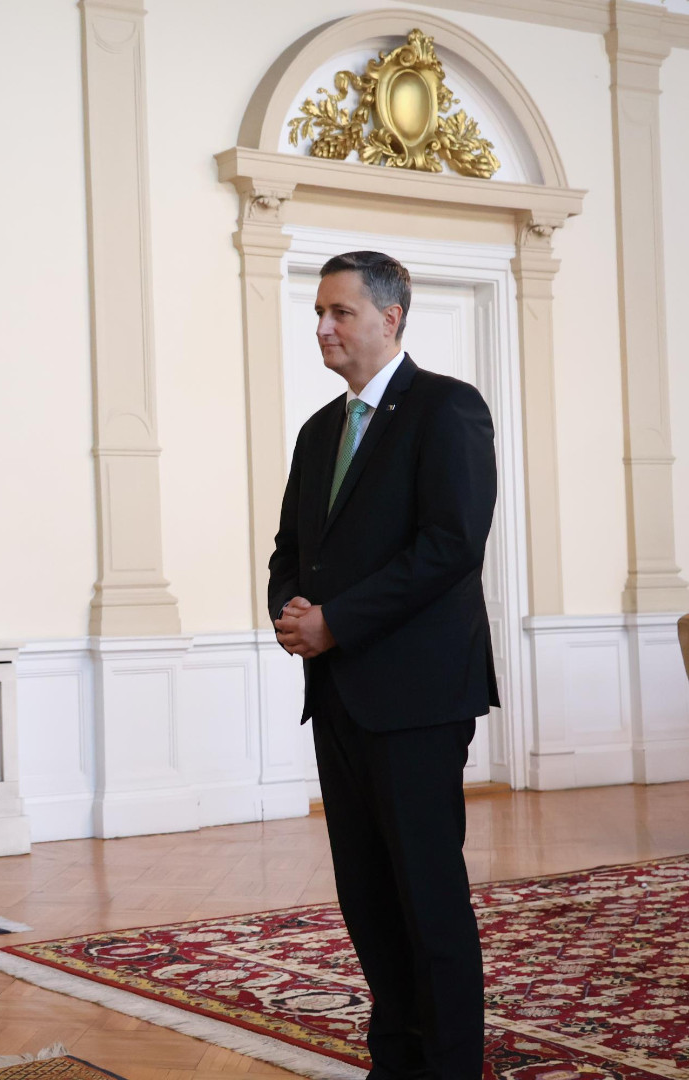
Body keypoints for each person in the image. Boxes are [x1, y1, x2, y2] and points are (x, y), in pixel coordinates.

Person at [268, 251, 497, 1080]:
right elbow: (289, 551)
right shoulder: (316, 431)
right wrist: (291, 613)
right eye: (318, 313)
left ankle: (450, 1066)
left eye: (340, 312)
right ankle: (395, 1061)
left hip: (418, 696)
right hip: (336, 694)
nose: (323, 328)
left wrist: (335, 622)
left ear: (390, 316)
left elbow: (450, 546)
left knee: (426, 898)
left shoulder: (446, 407)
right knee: (365, 899)